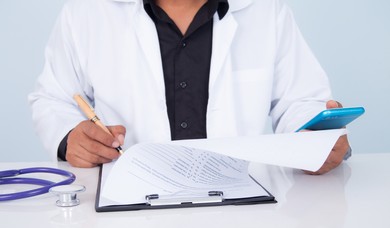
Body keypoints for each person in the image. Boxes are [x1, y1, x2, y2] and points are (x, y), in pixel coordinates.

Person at [29, 0, 350, 174]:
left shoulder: (267, 10)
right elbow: (53, 98)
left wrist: (315, 138)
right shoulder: (85, 12)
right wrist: (71, 136)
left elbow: (300, 100)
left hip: (244, 210)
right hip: (126, 211)